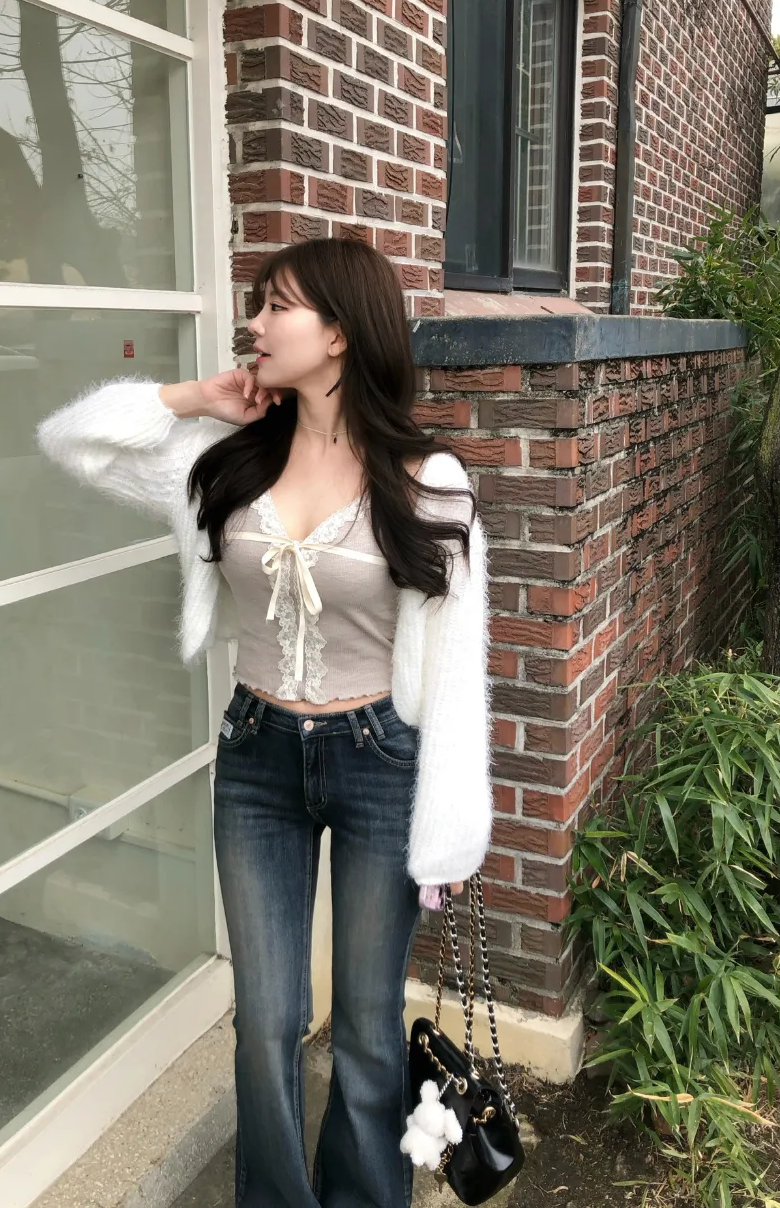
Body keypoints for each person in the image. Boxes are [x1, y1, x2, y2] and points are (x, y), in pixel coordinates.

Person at [37, 238, 492, 1208]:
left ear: (339, 333)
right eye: (257, 304)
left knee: (367, 1027)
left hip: (378, 761)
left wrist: (450, 833)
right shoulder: (224, 459)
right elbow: (70, 442)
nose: (253, 323)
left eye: (277, 305)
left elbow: (458, 672)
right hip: (256, 759)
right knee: (266, 1020)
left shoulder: (427, 479)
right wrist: (192, 398)